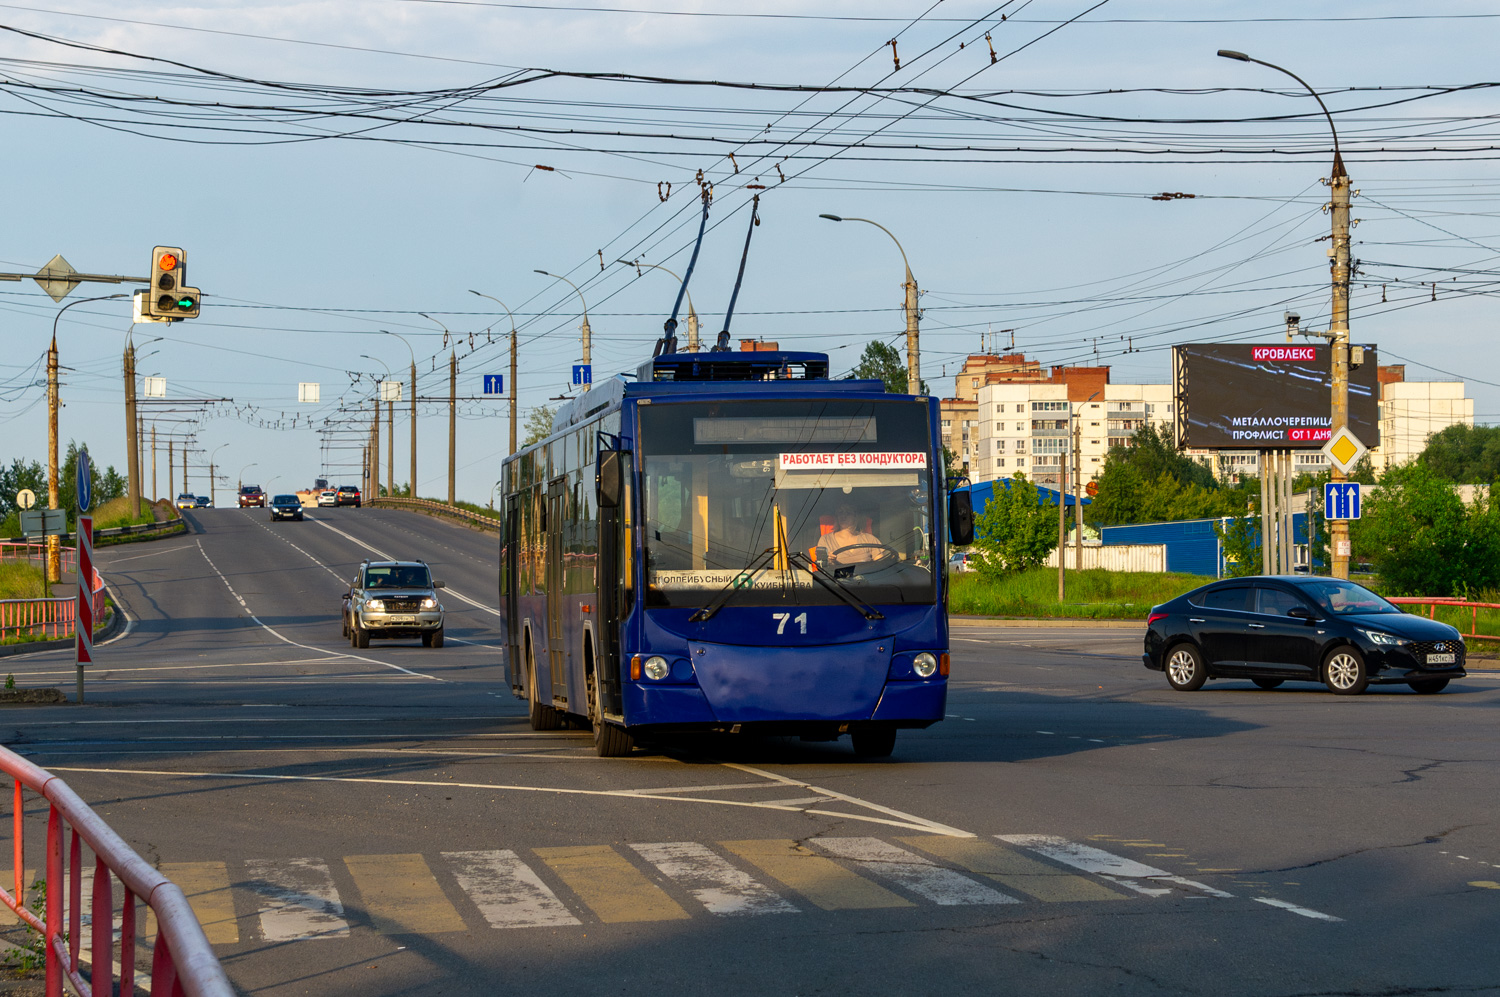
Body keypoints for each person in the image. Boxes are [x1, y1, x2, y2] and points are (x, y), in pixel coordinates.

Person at [817, 504, 884, 567]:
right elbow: (821, 566)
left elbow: (881, 563)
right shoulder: (826, 539)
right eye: (840, 512)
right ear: (836, 517)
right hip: (835, 579)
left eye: (848, 513)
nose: (843, 516)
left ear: (855, 517)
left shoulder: (869, 539)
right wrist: (828, 560)